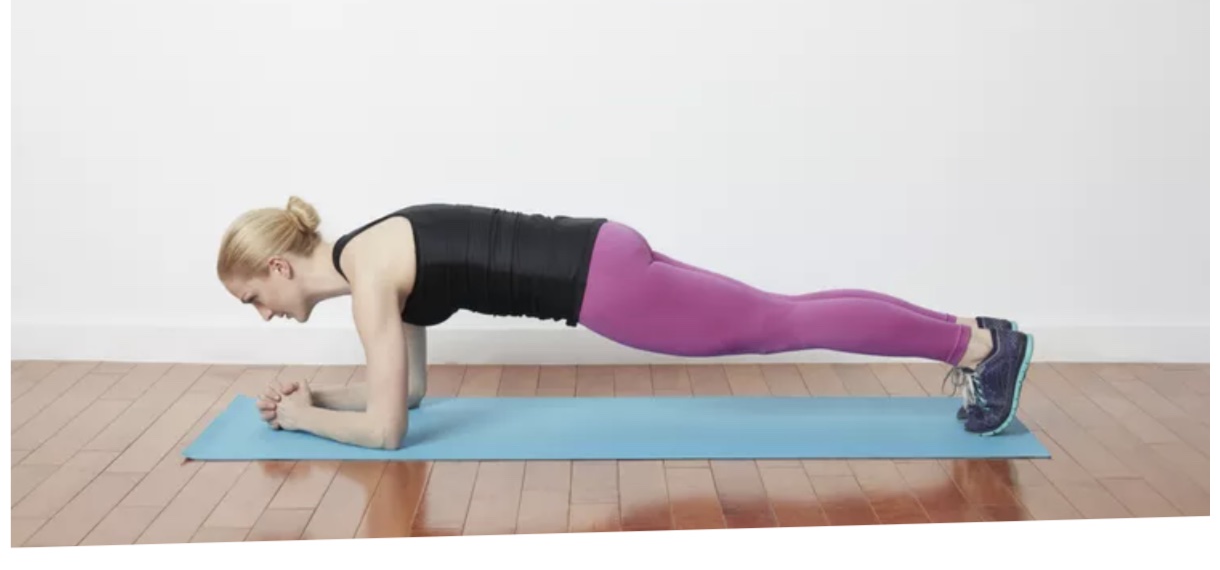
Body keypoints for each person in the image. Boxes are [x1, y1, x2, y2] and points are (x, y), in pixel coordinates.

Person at [215, 198, 1034, 450]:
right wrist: (320, 399)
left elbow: (389, 434)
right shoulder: (372, 251)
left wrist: (304, 420)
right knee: (782, 313)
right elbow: (413, 394)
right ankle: (977, 334)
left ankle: (980, 347)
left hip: (599, 286)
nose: (264, 315)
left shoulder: (368, 281)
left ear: (279, 267)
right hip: (601, 248)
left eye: (253, 297)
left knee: (782, 321)